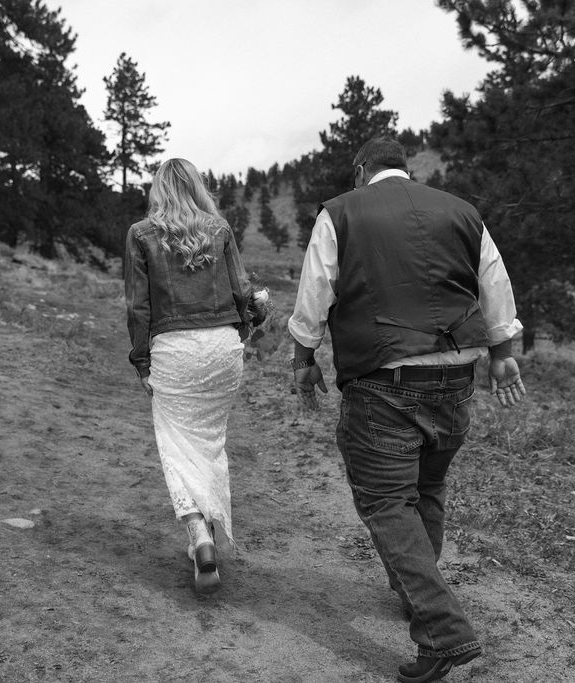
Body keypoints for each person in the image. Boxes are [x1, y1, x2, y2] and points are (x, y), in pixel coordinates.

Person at [288, 136, 526, 683]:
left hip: (385, 378)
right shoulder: (463, 212)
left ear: (361, 169)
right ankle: (415, 594)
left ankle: (444, 632)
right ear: (405, 169)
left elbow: (315, 292)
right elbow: (494, 283)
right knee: (427, 491)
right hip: (456, 378)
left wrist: (304, 358)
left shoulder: (341, 212)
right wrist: (503, 354)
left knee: (388, 505)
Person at [124, 158, 267, 594]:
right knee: (210, 441)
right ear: (198, 187)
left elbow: (137, 308)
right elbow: (244, 294)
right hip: (223, 348)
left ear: (159, 190)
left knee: (176, 444)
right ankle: (209, 528)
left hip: (176, 350)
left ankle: (198, 533)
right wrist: (247, 326)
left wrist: (142, 361)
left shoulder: (141, 234)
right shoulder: (219, 229)